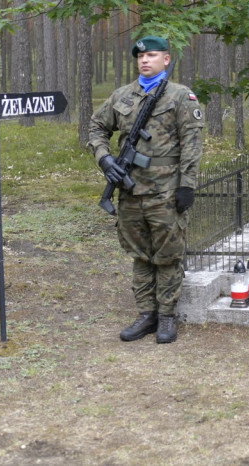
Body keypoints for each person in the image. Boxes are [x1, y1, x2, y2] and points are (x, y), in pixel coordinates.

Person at [88, 36, 204, 344]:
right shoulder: (122, 96)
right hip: (130, 190)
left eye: (152, 55)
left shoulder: (181, 97)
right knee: (139, 255)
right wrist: (105, 158)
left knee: (167, 255)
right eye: (140, 55)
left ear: (166, 59)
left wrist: (187, 185)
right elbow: (96, 128)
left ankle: (166, 316)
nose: (144, 60)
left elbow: (192, 146)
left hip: (166, 191)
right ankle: (146, 314)